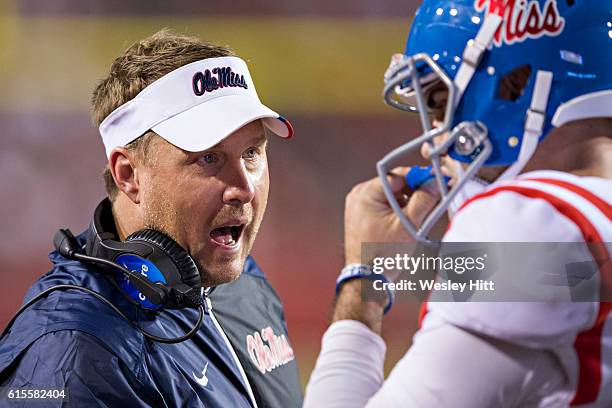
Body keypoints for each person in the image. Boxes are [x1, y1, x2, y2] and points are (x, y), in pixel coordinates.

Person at [305, 0, 611, 406]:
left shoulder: (524, 226)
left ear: (514, 84)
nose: (434, 139)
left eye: (437, 102)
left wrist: (364, 278)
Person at [0, 30, 302, 407]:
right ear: (128, 175)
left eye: (252, 153)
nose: (244, 187)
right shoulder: (73, 350)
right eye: (208, 158)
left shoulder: (238, 280)